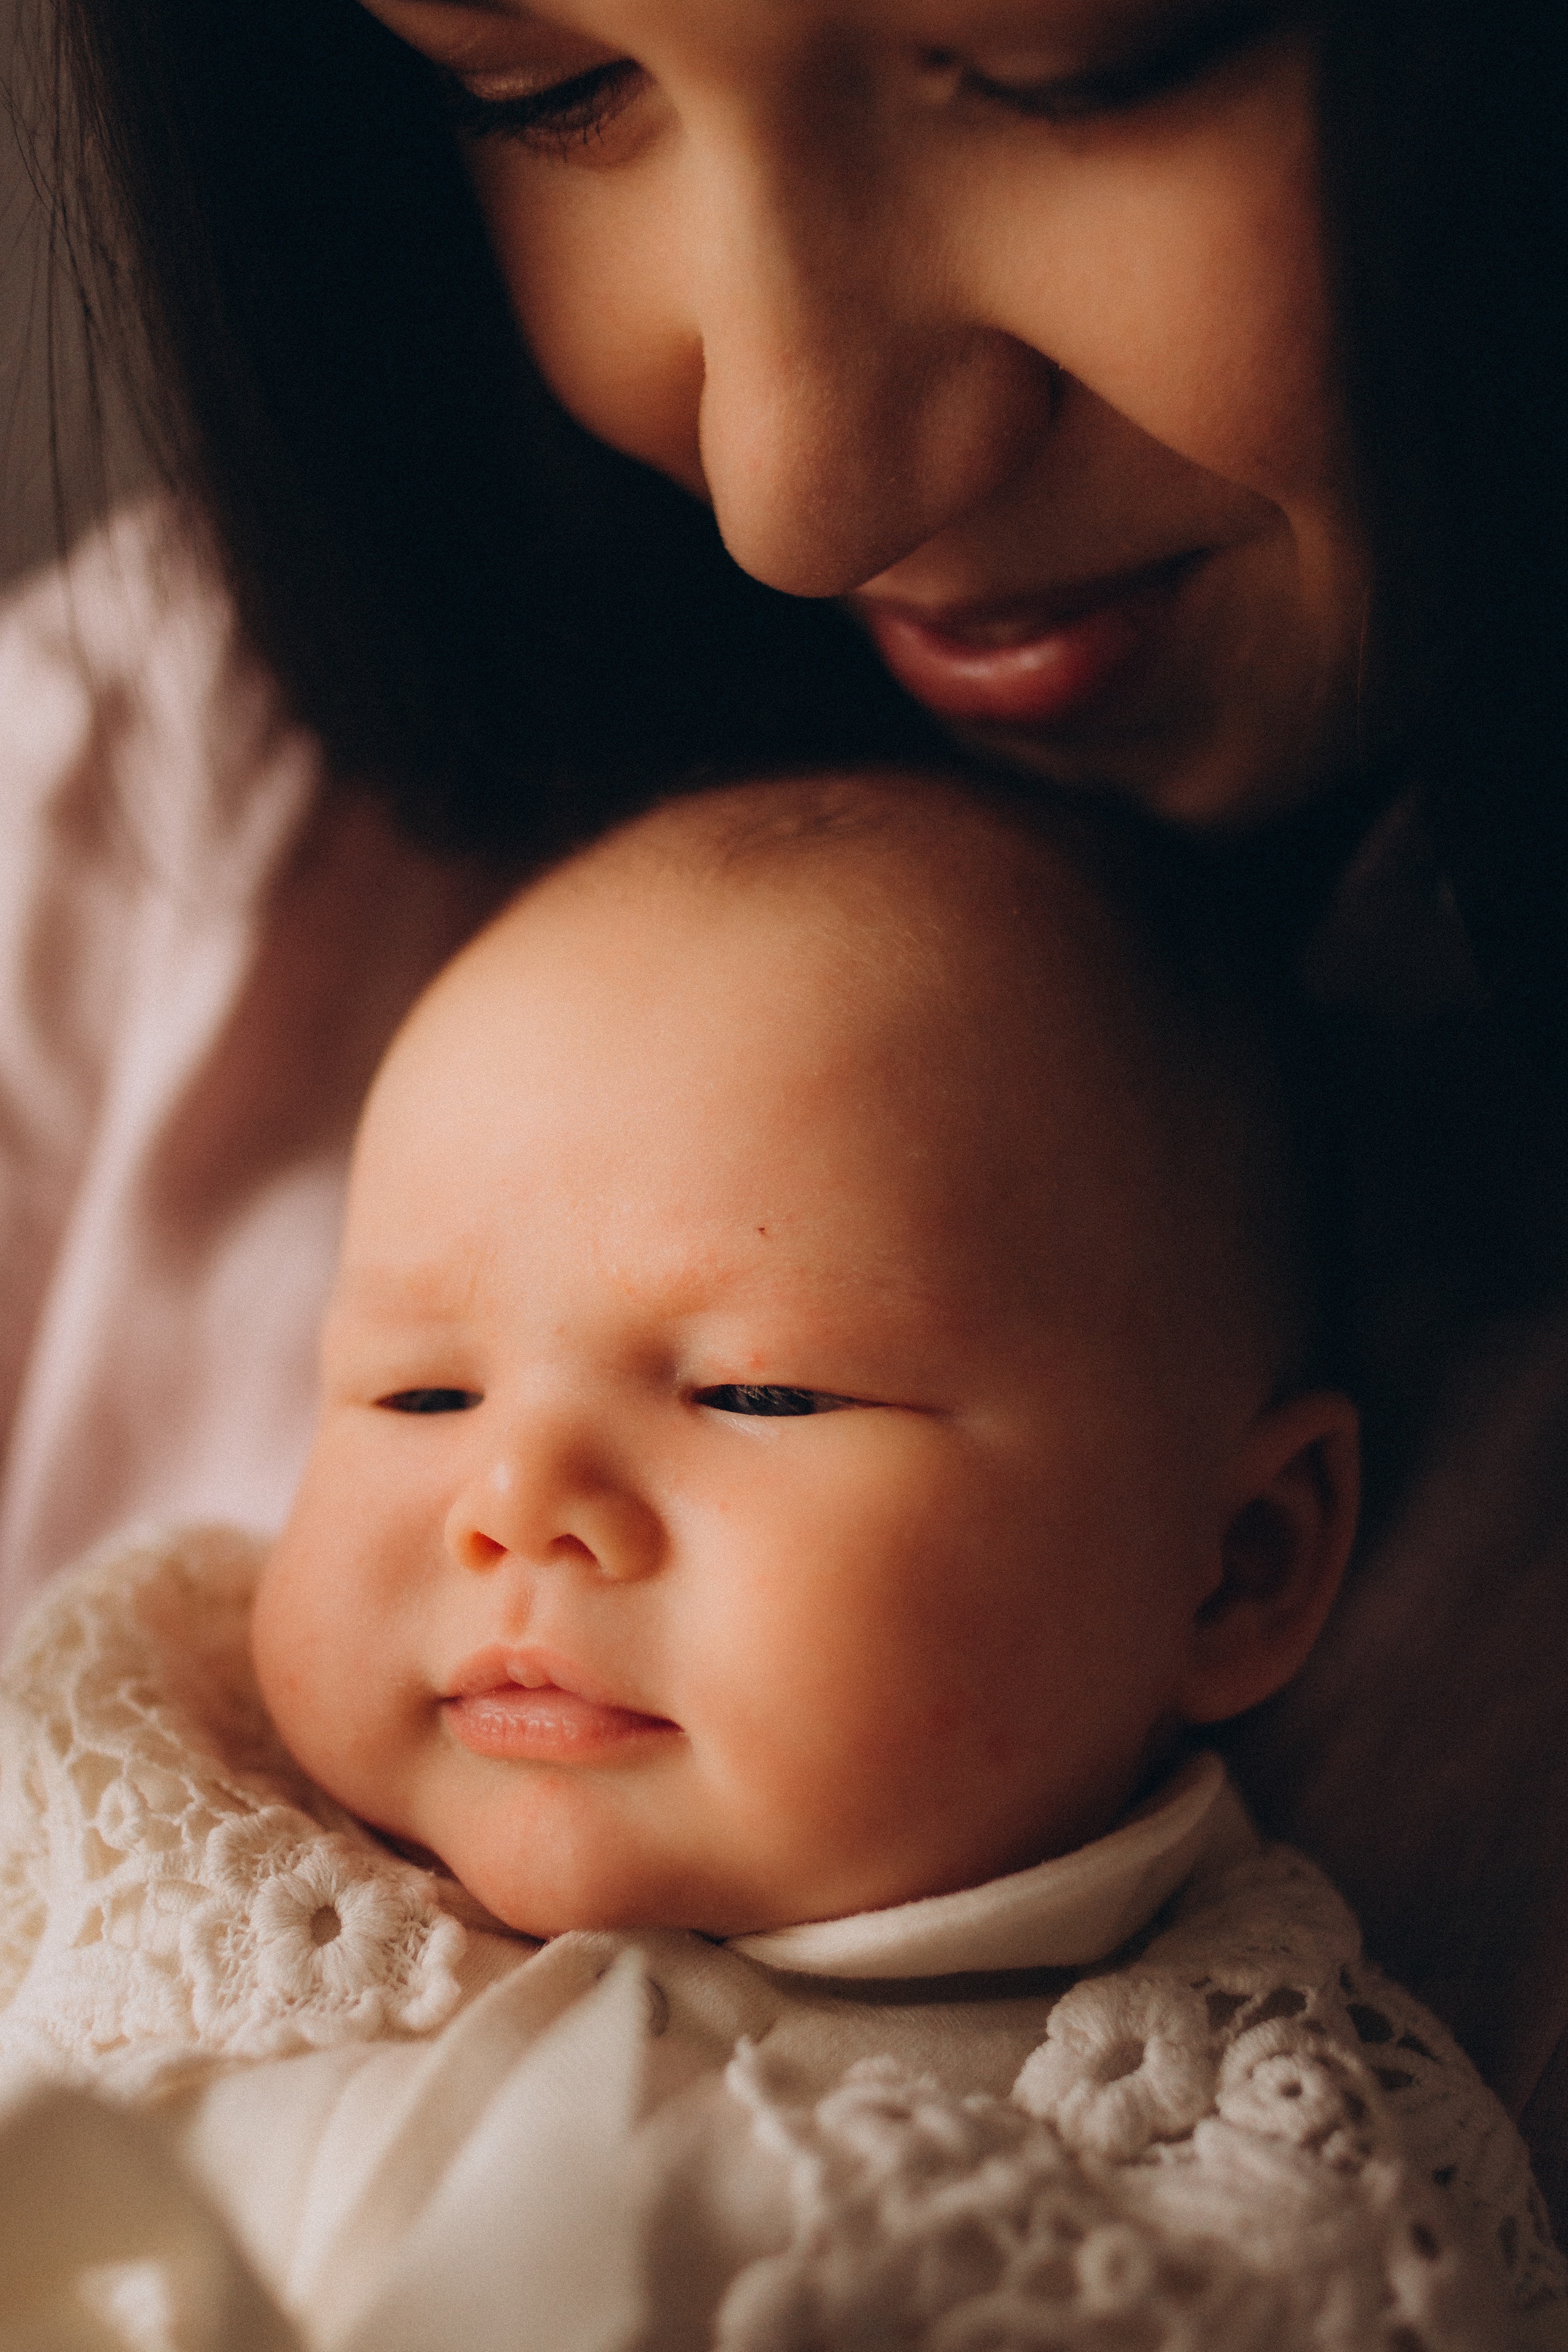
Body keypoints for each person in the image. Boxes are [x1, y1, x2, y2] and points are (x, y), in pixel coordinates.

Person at [2, 0, 1567, 2246]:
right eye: (535, 87)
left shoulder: (1228, 2190)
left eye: (1064, 59)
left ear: (1243, 1557)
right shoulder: (148, 816)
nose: (794, 486)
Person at [1, 778, 1563, 2350]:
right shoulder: (135, 1768)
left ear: (1234, 1564)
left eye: (757, 1394)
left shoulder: (1264, 2188)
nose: (519, 1501)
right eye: (425, 1392)